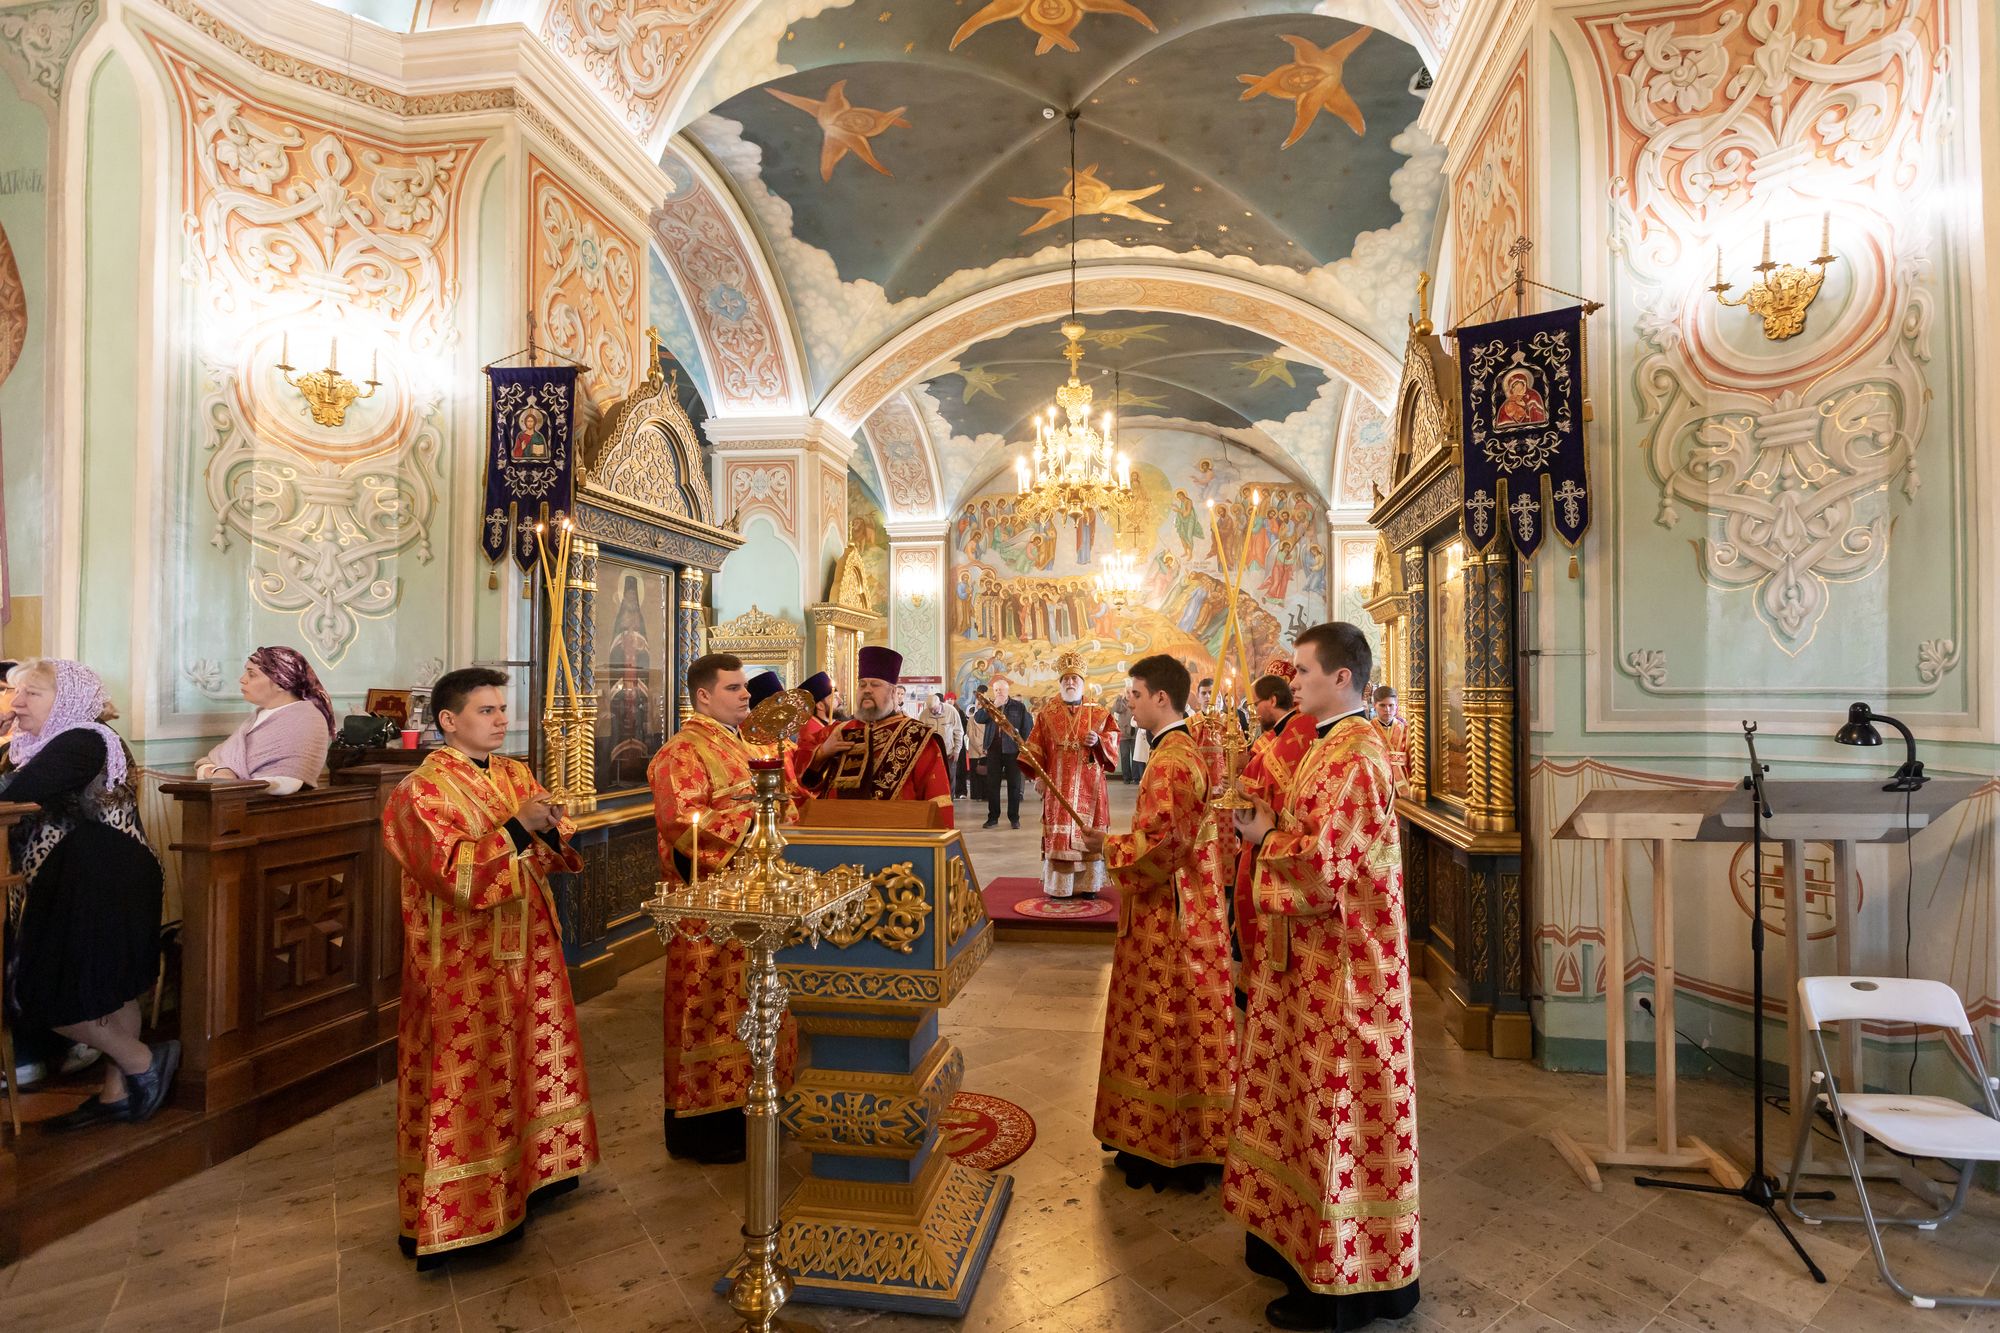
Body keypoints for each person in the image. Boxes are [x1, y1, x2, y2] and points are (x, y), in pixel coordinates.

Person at [1227, 623, 1419, 1331]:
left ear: (1342, 678)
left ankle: (1343, 1284)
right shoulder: (1328, 745)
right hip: (1311, 964)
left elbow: (1321, 868)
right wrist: (1270, 818)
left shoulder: (1358, 755)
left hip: (1348, 975)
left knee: (1338, 1118)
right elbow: (1312, 832)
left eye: (1304, 671)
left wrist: (1263, 837)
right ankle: (1298, 1251)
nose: (1294, 680)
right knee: (1304, 1114)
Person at [380, 667, 597, 1265]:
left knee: (532, 1056)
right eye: (486, 710)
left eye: (502, 708)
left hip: (531, 942)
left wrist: (550, 826)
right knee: (470, 1075)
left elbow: (553, 841)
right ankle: (464, 1212)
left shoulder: (513, 773)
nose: (501, 719)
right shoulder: (419, 792)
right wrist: (519, 828)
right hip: (462, 961)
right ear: (449, 721)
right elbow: (454, 876)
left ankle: (540, 1174)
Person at [1078, 655, 1236, 1192]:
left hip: (1169, 918)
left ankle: (1165, 1146)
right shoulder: (1180, 749)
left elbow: (1166, 844)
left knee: (1162, 1027)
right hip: (1183, 908)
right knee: (1178, 1025)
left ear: (1161, 698)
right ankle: (1178, 1138)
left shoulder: (1172, 759)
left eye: (1135, 694)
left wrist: (1108, 846)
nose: (1130, 704)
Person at [2, 660, 173, 1130]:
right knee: (112, 990)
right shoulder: (36, 744)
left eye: (32, 693)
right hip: (90, 877)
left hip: (104, 879)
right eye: (16, 692)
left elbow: (13, 795)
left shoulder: (82, 740)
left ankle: (143, 1062)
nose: (17, 703)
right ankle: (117, 1093)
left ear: (68, 700)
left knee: (47, 995)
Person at [649, 653, 797, 1162]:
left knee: (758, 1004)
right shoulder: (680, 752)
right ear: (704, 696)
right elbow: (680, 822)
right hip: (708, 910)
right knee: (708, 1010)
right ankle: (707, 1127)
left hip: (757, 902)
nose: (746, 695)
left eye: (744, 687)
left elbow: (781, 800)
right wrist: (758, 824)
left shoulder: (748, 744)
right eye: (734, 688)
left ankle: (759, 1108)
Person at [1231, 663, 1318, 1015]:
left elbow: (1263, 780)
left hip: (1282, 844)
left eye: (1256, 703)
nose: (1254, 712)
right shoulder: (1288, 730)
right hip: (1270, 838)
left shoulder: (1301, 728)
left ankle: (1259, 988)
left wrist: (1240, 778)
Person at [800, 648, 954, 814]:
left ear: (893, 692)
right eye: (862, 684)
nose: (867, 690)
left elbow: (938, 803)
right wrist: (822, 753)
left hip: (897, 827)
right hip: (837, 826)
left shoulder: (919, 737)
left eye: (875, 684)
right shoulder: (838, 731)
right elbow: (803, 780)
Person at [1024, 651, 1119, 897]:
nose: (1070, 682)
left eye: (1074, 678)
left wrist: (1099, 741)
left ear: (1082, 682)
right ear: (1060, 682)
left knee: (1089, 833)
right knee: (1061, 833)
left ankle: (1089, 885)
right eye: (1065, 678)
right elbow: (1036, 747)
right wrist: (1038, 777)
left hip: (1091, 785)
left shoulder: (1099, 712)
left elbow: (1114, 739)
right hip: (1058, 785)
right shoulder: (1047, 713)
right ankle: (1061, 887)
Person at [195, 646, 337, 794]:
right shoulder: (258, 716)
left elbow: (288, 782)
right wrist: (221, 771)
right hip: (236, 799)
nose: (242, 679)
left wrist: (224, 776)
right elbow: (209, 762)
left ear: (281, 682)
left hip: (271, 806)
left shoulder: (307, 719)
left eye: (252, 674)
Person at [972, 676, 1030, 829]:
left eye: (1001, 690)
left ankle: (1014, 818)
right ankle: (993, 818)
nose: (999, 692)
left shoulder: (1018, 707)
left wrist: (1023, 746)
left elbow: (1026, 727)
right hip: (993, 751)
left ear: (1007, 690)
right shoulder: (989, 705)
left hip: (1013, 751)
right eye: (996, 690)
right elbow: (978, 718)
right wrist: (993, 706)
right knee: (992, 785)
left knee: (1014, 785)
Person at [790, 671, 836, 789]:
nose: (840, 701)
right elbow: (805, 771)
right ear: (820, 706)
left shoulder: (828, 724)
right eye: (835, 698)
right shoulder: (810, 732)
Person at [1373, 684, 1411, 792]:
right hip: (1377, 782)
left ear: (1396, 706)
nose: (1387, 709)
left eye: (1391, 705)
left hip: (1405, 782)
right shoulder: (1368, 729)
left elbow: (1413, 760)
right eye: (1382, 705)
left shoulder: (1406, 729)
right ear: (1375, 705)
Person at [961, 685, 988, 800]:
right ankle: (976, 795)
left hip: (986, 750)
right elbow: (971, 735)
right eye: (978, 703)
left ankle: (986, 795)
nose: (979, 705)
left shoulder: (989, 718)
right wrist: (981, 749)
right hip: (976, 752)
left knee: (986, 775)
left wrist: (986, 748)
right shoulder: (971, 719)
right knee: (975, 775)